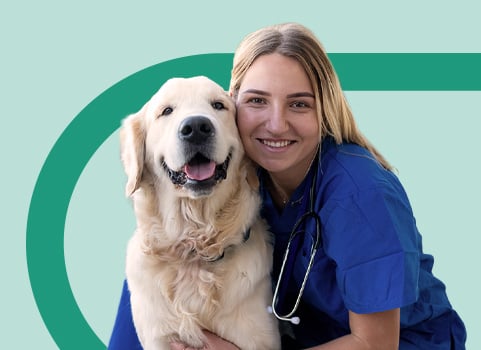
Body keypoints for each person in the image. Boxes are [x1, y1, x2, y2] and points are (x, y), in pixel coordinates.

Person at [109, 23, 467, 349]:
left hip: (394, 345)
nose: (276, 125)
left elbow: (376, 344)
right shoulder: (247, 172)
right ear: (236, 108)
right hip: (311, 337)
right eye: (257, 101)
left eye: (299, 104)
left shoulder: (360, 195)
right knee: (146, 268)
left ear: (325, 109)